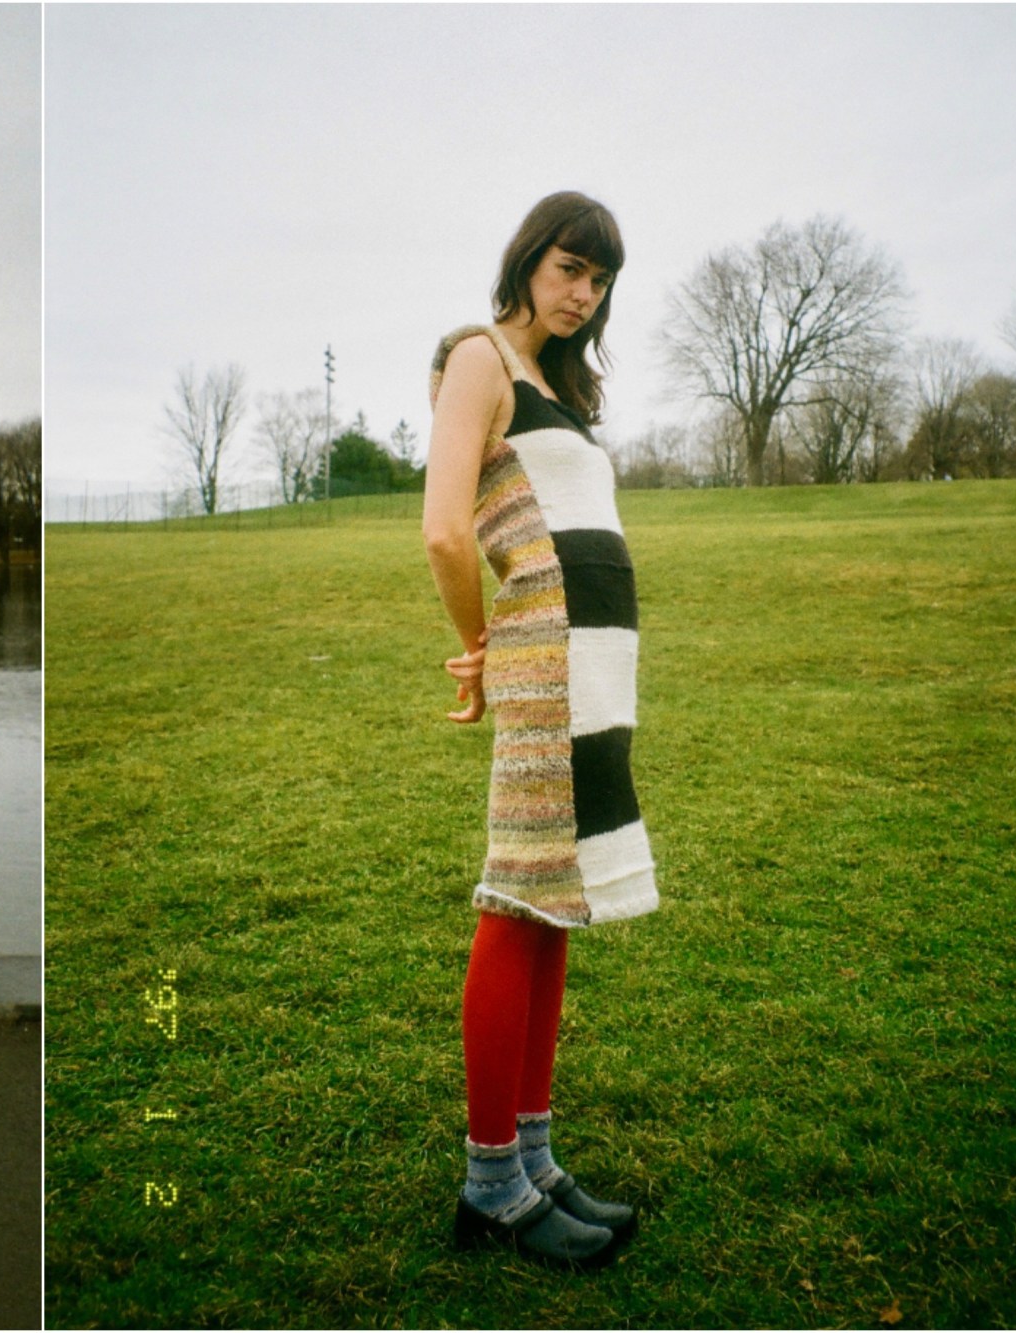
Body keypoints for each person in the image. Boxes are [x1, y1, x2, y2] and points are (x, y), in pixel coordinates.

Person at [422, 190, 657, 1269]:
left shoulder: (558, 387)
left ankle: (534, 1160)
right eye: (569, 268)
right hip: (543, 663)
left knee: (553, 905)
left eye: (598, 279)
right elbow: (441, 531)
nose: (582, 293)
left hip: (595, 669)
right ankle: (486, 1186)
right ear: (527, 259)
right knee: (517, 898)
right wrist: (475, 648)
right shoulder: (478, 358)